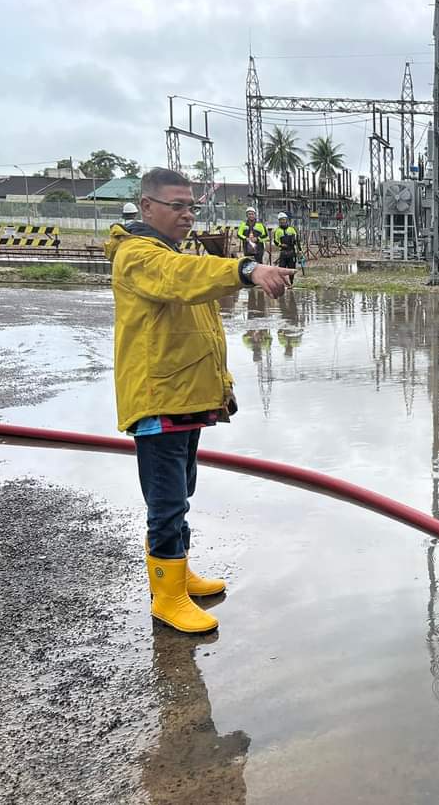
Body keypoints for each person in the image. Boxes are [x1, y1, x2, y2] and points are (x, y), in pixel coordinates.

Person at [105, 168, 294, 634]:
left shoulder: (170, 252)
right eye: (178, 206)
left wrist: (221, 386)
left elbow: (200, 327)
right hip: (159, 400)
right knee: (166, 501)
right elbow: (182, 277)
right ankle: (166, 597)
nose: (188, 215)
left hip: (183, 395)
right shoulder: (138, 256)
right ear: (147, 206)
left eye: (192, 207)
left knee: (181, 491)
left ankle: (178, 572)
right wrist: (247, 269)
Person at [273, 211, 301, 283]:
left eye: (284, 219)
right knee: (281, 269)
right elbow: (275, 241)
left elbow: (297, 241)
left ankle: (291, 283)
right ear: (279, 221)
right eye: (281, 220)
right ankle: (283, 283)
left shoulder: (292, 229)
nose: (282, 221)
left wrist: (299, 251)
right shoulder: (277, 231)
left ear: (286, 220)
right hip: (283, 253)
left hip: (292, 253)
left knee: (291, 269)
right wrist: (280, 245)